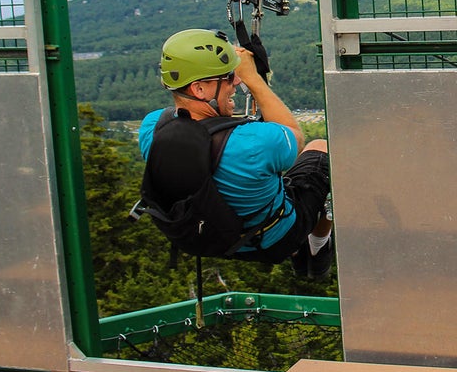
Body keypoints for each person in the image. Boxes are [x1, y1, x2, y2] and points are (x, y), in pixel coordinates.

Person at [139, 28, 335, 279]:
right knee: (321, 150)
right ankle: (316, 250)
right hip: (272, 240)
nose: (236, 82)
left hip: (204, 236)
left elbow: (201, 130)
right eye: (229, 77)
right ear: (199, 90)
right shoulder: (254, 144)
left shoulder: (153, 128)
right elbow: (294, 136)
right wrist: (254, 78)